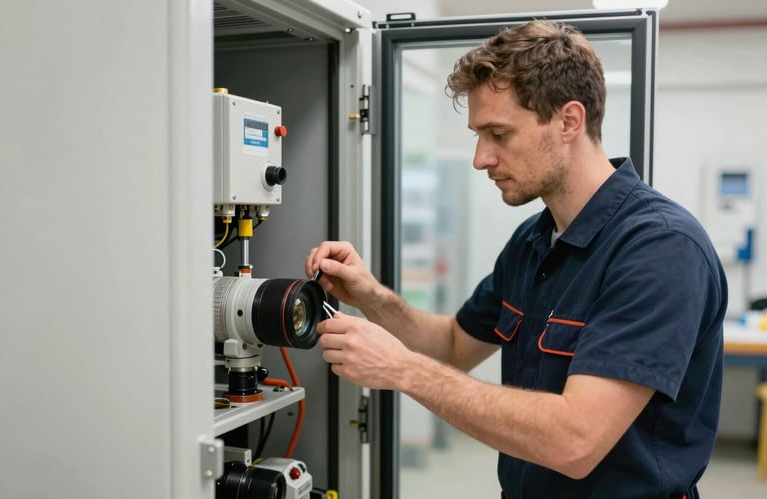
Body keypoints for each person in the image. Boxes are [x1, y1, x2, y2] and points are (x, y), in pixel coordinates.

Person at [306, 19, 727, 499]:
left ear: (569, 121)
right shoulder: (535, 239)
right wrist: (371, 295)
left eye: (498, 134)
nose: (480, 158)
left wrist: (401, 370)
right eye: (477, 135)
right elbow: (452, 346)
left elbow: (576, 440)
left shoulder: (660, 249)